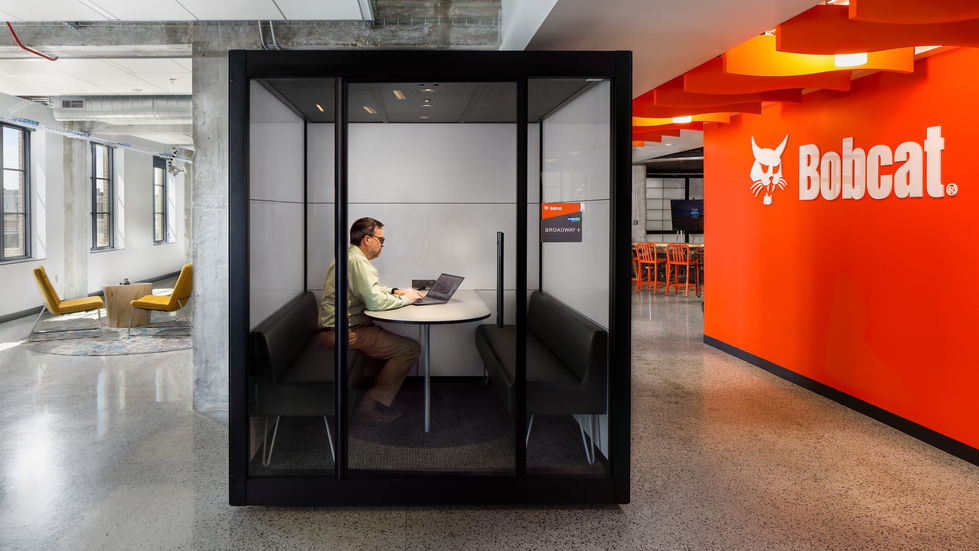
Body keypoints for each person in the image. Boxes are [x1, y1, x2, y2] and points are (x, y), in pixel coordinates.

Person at [319, 217, 424, 422]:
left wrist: (395, 291)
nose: (383, 244)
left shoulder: (351, 256)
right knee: (410, 349)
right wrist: (405, 299)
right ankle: (369, 409)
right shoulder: (357, 261)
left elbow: (369, 290)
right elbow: (375, 302)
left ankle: (372, 399)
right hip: (341, 333)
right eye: (381, 240)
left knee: (388, 349)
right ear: (367, 239)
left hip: (337, 329)